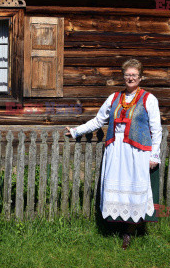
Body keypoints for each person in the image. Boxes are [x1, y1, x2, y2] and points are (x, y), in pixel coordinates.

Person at [65, 58, 162, 249]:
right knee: (118, 189)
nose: (130, 78)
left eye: (134, 75)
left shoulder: (149, 99)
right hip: (116, 151)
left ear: (140, 77)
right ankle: (117, 227)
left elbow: (156, 130)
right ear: (123, 77)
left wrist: (154, 155)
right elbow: (98, 120)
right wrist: (76, 131)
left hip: (137, 152)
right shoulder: (114, 98)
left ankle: (130, 231)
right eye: (127, 75)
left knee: (134, 189)